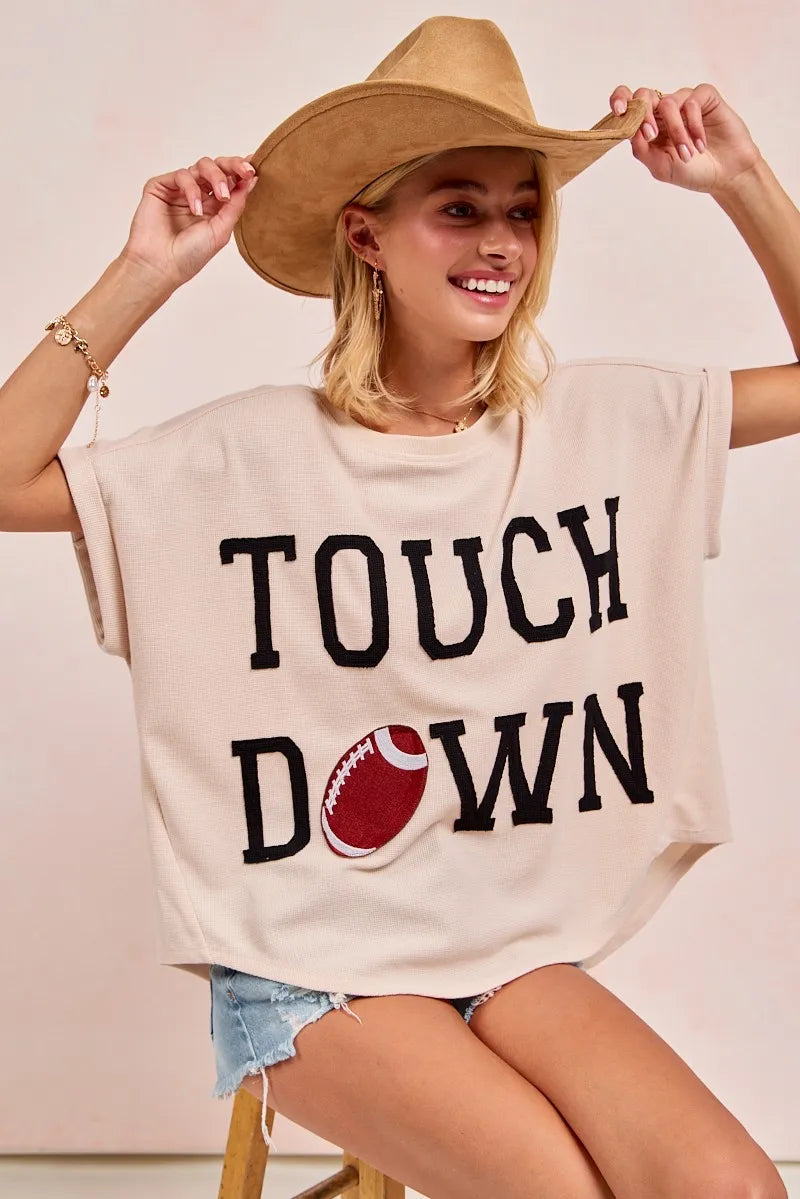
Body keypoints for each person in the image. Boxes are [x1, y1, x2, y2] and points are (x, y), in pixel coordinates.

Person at [0, 16, 788, 1199]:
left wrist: (742, 182)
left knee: (730, 1189)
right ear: (363, 234)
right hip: (307, 962)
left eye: (520, 209)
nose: (499, 242)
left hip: (501, 941)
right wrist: (146, 272)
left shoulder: (593, 428)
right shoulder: (246, 457)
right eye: (457, 206)